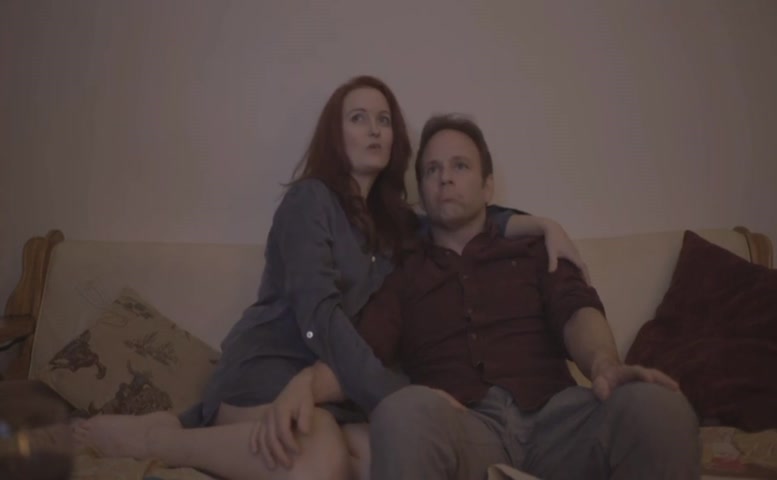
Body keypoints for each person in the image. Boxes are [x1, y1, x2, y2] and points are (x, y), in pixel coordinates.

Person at [75, 76, 588, 480]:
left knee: (377, 456)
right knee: (319, 457)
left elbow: (458, 214)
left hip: (334, 388)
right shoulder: (309, 202)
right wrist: (396, 393)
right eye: (358, 118)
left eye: (383, 120)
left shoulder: (397, 225)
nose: (374, 129)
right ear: (335, 135)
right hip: (270, 369)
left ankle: (189, 426)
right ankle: (163, 442)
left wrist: (540, 224)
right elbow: (317, 317)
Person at [278, 113, 701, 480]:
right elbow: (359, 353)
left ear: (487, 186)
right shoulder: (402, 274)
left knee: (659, 409)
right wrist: (306, 384)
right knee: (401, 412)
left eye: (460, 166)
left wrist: (604, 363)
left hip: (559, 419)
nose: (445, 177)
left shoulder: (535, 248)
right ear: (421, 194)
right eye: (432, 170)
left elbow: (576, 311)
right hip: (465, 428)